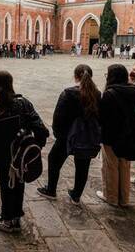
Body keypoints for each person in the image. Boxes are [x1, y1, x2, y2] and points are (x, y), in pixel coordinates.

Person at [0, 71, 49, 233]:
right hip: (21, 155)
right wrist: (34, 148)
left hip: (3, 157)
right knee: (19, 184)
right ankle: (15, 217)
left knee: (6, 186)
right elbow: (41, 129)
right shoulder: (23, 103)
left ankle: (7, 220)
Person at [37, 64, 100, 204]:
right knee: (83, 166)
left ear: (76, 76)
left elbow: (58, 117)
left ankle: (51, 190)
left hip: (66, 136)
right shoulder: (97, 93)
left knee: (54, 160)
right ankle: (76, 195)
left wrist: (59, 134)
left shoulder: (68, 93)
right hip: (86, 136)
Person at [97, 64, 135, 206]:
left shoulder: (110, 93)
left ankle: (111, 197)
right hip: (130, 134)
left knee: (110, 166)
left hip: (111, 135)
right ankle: (124, 198)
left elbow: (102, 116)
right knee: (125, 166)